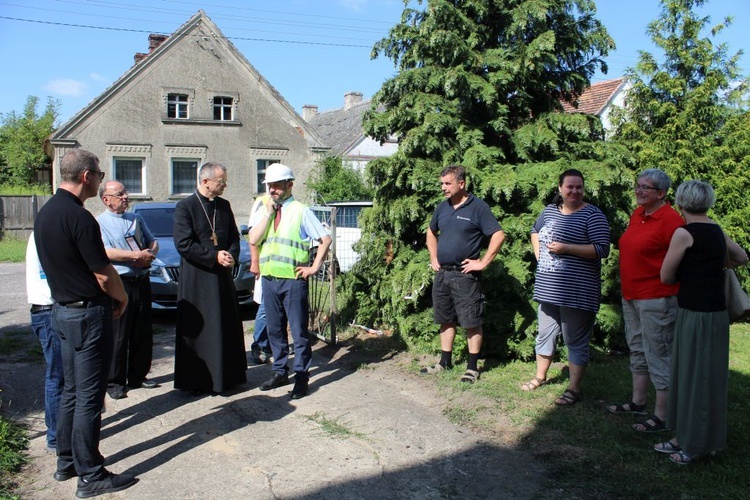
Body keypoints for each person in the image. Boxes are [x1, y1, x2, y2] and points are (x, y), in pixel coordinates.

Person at [33, 148, 136, 497]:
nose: (101, 179)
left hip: (61, 311)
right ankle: (91, 475)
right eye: (99, 174)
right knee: (89, 397)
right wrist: (121, 298)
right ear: (85, 176)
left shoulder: (46, 212)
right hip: (87, 314)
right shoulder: (79, 217)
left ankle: (66, 462)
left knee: (72, 392)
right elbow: (104, 273)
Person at [655, 180, 747, 465]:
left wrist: (691, 273)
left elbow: (666, 276)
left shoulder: (684, 233)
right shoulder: (717, 230)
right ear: (708, 202)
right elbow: (742, 256)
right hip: (713, 315)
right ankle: (690, 437)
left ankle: (695, 445)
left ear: (681, 202)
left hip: (696, 315)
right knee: (702, 378)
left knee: (697, 379)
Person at [521, 169, 610, 406]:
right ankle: (540, 376)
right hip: (548, 289)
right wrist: (540, 255)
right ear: (559, 188)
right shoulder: (549, 211)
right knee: (545, 335)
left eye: (579, 187)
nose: (574, 191)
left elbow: (602, 249)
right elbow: (534, 230)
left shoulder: (593, 215)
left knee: (575, 341)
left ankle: (573, 389)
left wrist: (566, 248)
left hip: (578, 292)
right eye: (569, 187)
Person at [606, 169, 684, 431]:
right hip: (632, 296)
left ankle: (663, 416)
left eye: (646, 188)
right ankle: (638, 402)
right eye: (637, 186)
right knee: (638, 347)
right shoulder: (638, 214)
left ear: (661, 193)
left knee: (659, 353)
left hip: (657, 299)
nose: (639, 191)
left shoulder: (672, 221)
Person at [248, 163, 331, 399]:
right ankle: (280, 371)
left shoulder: (300, 210)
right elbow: (253, 238)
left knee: (298, 331)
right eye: (269, 186)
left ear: (289, 185)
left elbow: (325, 239)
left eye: (276, 185)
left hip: (293, 281)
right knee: (274, 330)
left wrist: (314, 267)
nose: (272, 190)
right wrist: (268, 213)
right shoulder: (266, 209)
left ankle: (301, 377)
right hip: (270, 279)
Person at [422, 165, 505, 383]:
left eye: (447, 183)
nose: (443, 188)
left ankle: (472, 368)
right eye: (442, 183)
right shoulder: (442, 208)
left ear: (462, 183)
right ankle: (444, 362)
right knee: (445, 319)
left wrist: (483, 263)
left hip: (465, 276)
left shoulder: (478, 208)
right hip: (443, 275)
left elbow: (498, 235)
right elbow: (431, 232)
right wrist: (433, 257)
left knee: (471, 321)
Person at [173, 162, 247, 394]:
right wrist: (214, 256)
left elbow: (234, 237)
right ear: (205, 181)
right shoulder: (185, 207)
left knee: (224, 325)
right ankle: (198, 381)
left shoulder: (224, 206)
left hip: (221, 277)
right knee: (202, 328)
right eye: (221, 181)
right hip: (198, 278)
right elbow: (183, 244)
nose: (225, 185)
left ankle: (226, 377)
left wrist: (231, 256)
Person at [96, 181, 160, 400]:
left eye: (126, 193)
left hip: (141, 279)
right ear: (107, 199)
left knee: (141, 329)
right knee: (119, 333)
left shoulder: (136, 218)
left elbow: (153, 242)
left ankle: (138, 375)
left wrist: (149, 254)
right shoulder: (100, 223)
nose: (126, 196)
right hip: (120, 282)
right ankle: (114, 381)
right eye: (120, 194)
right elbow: (104, 252)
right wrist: (135, 257)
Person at [25, 234, 64, 453]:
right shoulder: (46, 231)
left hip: (49, 309)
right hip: (49, 309)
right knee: (58, 376)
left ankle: (61, 433)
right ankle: (56, 438)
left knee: (60, 375)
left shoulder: (44, 228)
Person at [248, 193, 272, 365]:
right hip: (266, 265)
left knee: (277, 308)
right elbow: (253, 237)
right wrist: (255, 262)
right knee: (266, 306)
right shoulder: (262, 203)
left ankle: (272, 344)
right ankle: (259, 345)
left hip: (282, 267)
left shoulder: (290, 204)